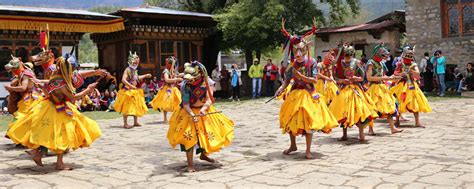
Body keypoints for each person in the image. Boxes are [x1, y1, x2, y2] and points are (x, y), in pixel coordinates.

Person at [6, 57, 102, 170]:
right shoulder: (62, 84)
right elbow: (74, 96)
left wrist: (95, 72)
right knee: (61, 134)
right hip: (59, 110)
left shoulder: (55, 77)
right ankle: (59, 163)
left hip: (48, 106)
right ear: (68, 69)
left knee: (47, 132)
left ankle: (38, 154)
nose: (73, 72)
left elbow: (77, 77)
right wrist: (88, 89)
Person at [278, 18, 338, 159]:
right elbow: (287, 81)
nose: (297, 55)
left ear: (304, 51)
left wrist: (301, 76)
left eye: (300, 52)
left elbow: (314, 80)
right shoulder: (292, 65)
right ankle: (293, 145)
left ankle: (308, 150)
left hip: (308, 95)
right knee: (290, 119)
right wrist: (281, 88)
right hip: (294, 95)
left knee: (309, 122)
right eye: (295, 52)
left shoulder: (312, 63)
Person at [168, 61, 234, 172]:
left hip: (204, 110)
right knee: (189, 137)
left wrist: (203, 109)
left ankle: (204, 154)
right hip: (188, 112)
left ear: (199, 75)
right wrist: (193, 114)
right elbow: (185, 104)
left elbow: (209, 99)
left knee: (205, 134)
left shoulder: (207, 82)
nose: (189, 80)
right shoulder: (185, 85)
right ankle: (190, 165)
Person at [329, 44, 378, 142]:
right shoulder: (340, 63)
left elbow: (362, 77)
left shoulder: (357, 62)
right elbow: (336, 78)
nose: (347, 57)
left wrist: (356, 78)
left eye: (349, 55)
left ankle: (361, 134)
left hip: (355, 89)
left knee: (359, 110)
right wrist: (342, 81)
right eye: (346, 55)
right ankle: (344, 134)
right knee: (344, 111)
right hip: (345, 89)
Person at [365, 44, 403, 135]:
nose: (384, 58)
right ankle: (370, 129)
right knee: (372, 108)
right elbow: (369, 78)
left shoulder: (381, 63)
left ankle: (392, 128)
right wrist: (384, 78)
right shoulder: (370, 63)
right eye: (382, 55)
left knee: (389, 105)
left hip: (382, 87)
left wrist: (392, 77)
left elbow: (383, 76)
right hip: (373, 88)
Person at [391, 45, 432, 127]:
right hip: (401, 85)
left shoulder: (413, 64)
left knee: (414, 102)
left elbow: (418, 74)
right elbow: (395, 73)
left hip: (411, 85)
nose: (408, 58)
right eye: (407, 56)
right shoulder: (400, 64)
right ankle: (397, 120)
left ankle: (417, 122)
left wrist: (411, 71)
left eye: (410, 56)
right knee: (399, 101)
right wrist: (401, 74)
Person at [114, 52, 152, 129]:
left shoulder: (135, 70)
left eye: (138, 58)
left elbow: (137, 78)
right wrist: (131, 86)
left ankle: (135, 122)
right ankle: (125, 123)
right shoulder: (127, 69)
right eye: (136, 58)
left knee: (135, 106)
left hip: (134, 91)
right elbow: (123, 80)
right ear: (132, 60)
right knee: (127, 107)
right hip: (128, 91)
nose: (138, 60)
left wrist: (145, 75)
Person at [151, 56, 183, 123]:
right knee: (166, 103)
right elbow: (167, 80)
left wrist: (185, 73)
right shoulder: (166, 71)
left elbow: (178, 75)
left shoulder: (174, 71)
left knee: (177, 102)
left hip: (174, 89)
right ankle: (165, 118)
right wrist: (176, 79)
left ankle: (175, 117)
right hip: (167, 89)